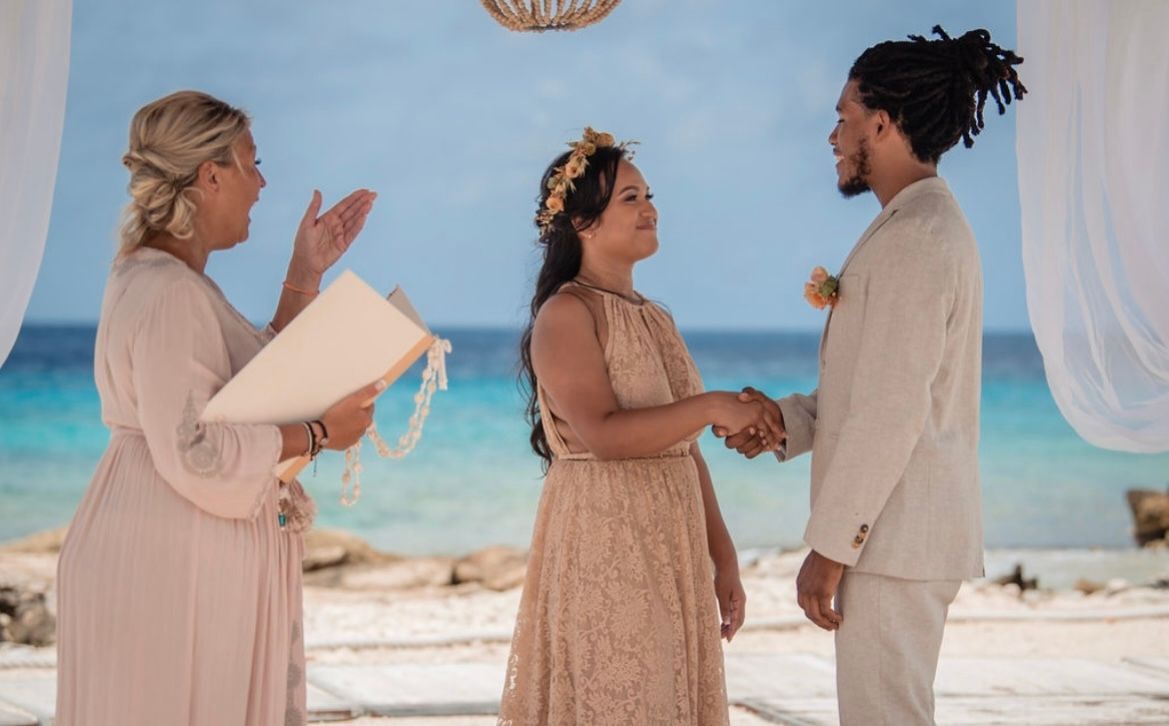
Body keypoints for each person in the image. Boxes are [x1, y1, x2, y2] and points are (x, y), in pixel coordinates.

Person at [721, 26, 1027, 725]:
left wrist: (830, 547)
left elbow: (892, 410)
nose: (832, 136)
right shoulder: (913, 223)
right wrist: (782, 423)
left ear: (882, 124)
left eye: (844, 116)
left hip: (895, 542)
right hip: (895, 539)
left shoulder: (917, 238)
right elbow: (869, 392)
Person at [55, 90, 382, 726]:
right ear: (211, 176)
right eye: (252, 164)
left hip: (165, 542)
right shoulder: (169, 292)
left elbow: (248, 392)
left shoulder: (156, 278)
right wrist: (319, 433)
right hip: (170, 561)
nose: (262, 185)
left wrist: (304, 272)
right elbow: (196, 451)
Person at [498, 128, 783, 725]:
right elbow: (603, 435)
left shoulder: (655, 316)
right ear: (583, 222)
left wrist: (724, 558)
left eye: (648, 195)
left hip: (673, 542)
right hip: (606, 542)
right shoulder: (567, 313)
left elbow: (685, 450)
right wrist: (711, 406)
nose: (649, 209)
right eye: (630, 198)